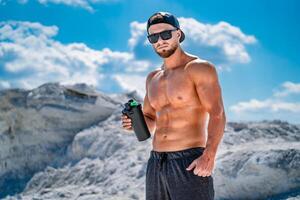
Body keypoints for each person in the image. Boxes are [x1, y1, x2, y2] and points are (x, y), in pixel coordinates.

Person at [121, 11, 226, 200]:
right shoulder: (152, 78)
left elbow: (217, 114)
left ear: (178, 33)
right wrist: (134, 123)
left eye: (166, 34)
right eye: (153, 37)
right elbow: (150, 118)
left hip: (189, 160)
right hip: (156, 162)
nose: (160, 40)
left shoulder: (199, 68)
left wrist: (209, 155)